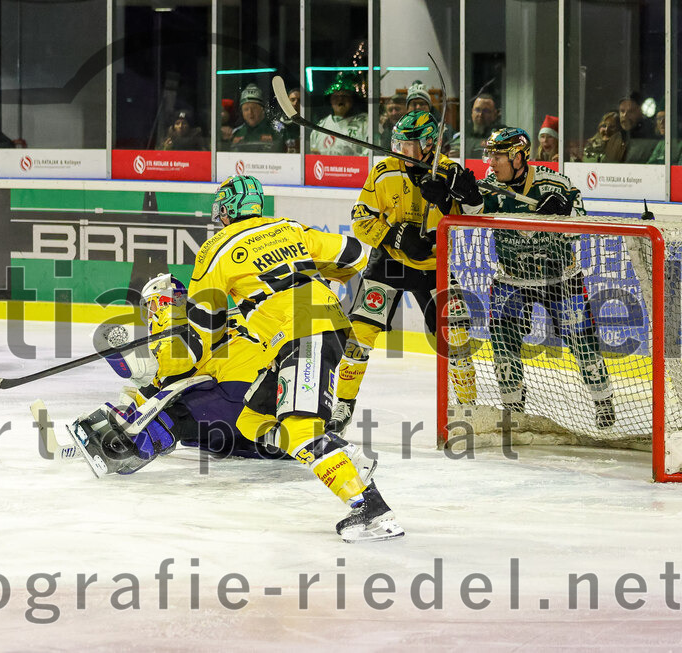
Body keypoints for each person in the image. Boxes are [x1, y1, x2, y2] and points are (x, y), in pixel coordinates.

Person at [190, 176, 400, 542]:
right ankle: (342, 454)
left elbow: (205, 321)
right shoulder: (288, 228)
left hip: (302, 333)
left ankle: (370, 509)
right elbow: (356, 254)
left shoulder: (215, 248)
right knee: (252, 420)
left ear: (225, 210)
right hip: (318, 324)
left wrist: (205, 342)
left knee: (300, 429)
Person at [337, 111, 482, 429]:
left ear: (431, 144)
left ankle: (470, 408)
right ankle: (343, 405)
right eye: (398, 144)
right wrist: (395, 236)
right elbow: (361, 218)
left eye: (411, 146)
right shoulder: (383, 171)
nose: (403, 152)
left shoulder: (448, 171)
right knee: (359, 335)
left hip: (433, 265)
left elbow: (472, 217)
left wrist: (455, 198)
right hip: (389, 262)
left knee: (455, 336)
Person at [464, 127, 615, 428]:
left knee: (583, 342)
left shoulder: (554, 183)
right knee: (502, 343)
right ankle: (514, 407)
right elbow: (470, 211)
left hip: (560, 277)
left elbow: (581, 226)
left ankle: (603, 400)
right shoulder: (492, 187)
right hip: (512, 278)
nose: (490, 163)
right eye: (490, 156)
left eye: (498, 156)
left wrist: (563, 215)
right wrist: (463, 192)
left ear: (518, 158)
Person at [73, 273, 290, 475]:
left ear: (163, 302)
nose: (149, 314)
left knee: (175, 417)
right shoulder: (216, 321)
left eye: (151, 305)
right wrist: (131, 407)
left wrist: (136, 368)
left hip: (241, 392)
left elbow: (173, 366)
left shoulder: (184, 328)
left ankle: (126, 451)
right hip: (264, 405)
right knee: (185, 413)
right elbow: (162, 386)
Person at [309, 72, 368, 156]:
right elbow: (312, 153)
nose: (340, 100)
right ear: (330, 100)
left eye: (345, 96)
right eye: (336, 97)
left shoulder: (366, 123)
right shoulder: (321, 125)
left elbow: (369, 155)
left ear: (352, 100)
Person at [228, 84, 285, 153]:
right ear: (242, 112)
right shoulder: (237, 133)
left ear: (262, 109)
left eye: (254, 108)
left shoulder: (276, 129)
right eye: (246, 109)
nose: (250, 112)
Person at [450, 93, 506, 159]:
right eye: (477, 110)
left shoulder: (503, 136)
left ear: (495, 114)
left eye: (486, 111)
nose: (480, 114)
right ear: (472, 112)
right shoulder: (462, 137)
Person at [617, 94, 658, 163]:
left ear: (641, 113)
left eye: (630, 111)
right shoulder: (614, 137)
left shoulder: (650, 138)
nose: (625, 115)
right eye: (622, 111)